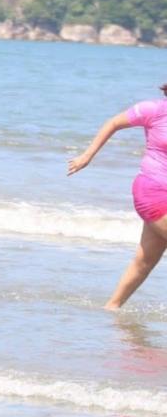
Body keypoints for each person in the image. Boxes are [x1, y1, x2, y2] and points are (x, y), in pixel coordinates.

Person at [68, 86, 167, 309]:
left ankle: (111, 308)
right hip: (152, 190)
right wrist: (87, 156)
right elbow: (113, 123)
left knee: (145, 262)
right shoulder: (154, 110)